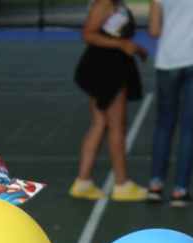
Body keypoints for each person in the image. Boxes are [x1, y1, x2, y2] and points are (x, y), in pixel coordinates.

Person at [70, 0, 150, 202]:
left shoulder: (116, 3)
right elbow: (88, 34)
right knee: (116, 126)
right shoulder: (105, 3)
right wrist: (122, 44)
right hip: (107, 68)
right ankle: (122, 184)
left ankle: (83, 182)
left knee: (100, 123)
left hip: (108, 65)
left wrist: (135, 48)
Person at [147, 0, 193, 206]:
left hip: (168, 59)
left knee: (164, 125)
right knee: (190, 128)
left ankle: (155, 185)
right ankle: (180, 190)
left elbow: (154, 30)